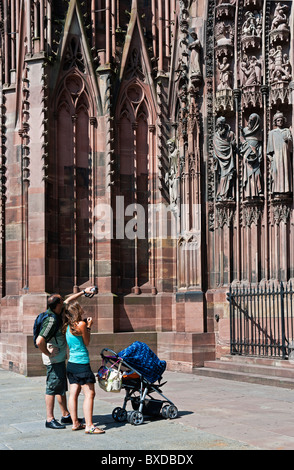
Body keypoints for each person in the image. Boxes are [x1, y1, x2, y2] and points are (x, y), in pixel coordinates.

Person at [36, 286, 97, 429]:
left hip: (66, 361)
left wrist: (83, 292)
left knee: (61, 387)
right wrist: (48, 353)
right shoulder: (51, 320)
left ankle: (67, 416)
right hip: (56, 359)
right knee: (52, 388)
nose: (65, 302)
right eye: (62, 301)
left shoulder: (62, 318)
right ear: (57, 305)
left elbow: (69, 300)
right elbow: (39, 341)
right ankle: (50, 419)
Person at [63, 301, 105, 434]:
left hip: (71, 364)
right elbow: (86, 342)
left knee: (73, 393)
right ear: (77, 311)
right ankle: (89, 426)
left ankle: (75, 423)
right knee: (90, 393)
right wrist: (89, 327)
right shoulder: (81, 324)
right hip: (82, 364)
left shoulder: (67, 326)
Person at [267, 111, 293, 194]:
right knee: (276, 173)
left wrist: (288, 141)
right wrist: (271, 160)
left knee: (285, 171)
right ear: (275, 122)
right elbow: (269, 151)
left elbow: (291, 147)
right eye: (278, 120)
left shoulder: (287, 131)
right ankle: (277, 190)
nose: (280, 122)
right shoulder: (272, 133)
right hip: (276, 157)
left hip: (285, 156)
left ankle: (286, 189)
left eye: (281, 120)